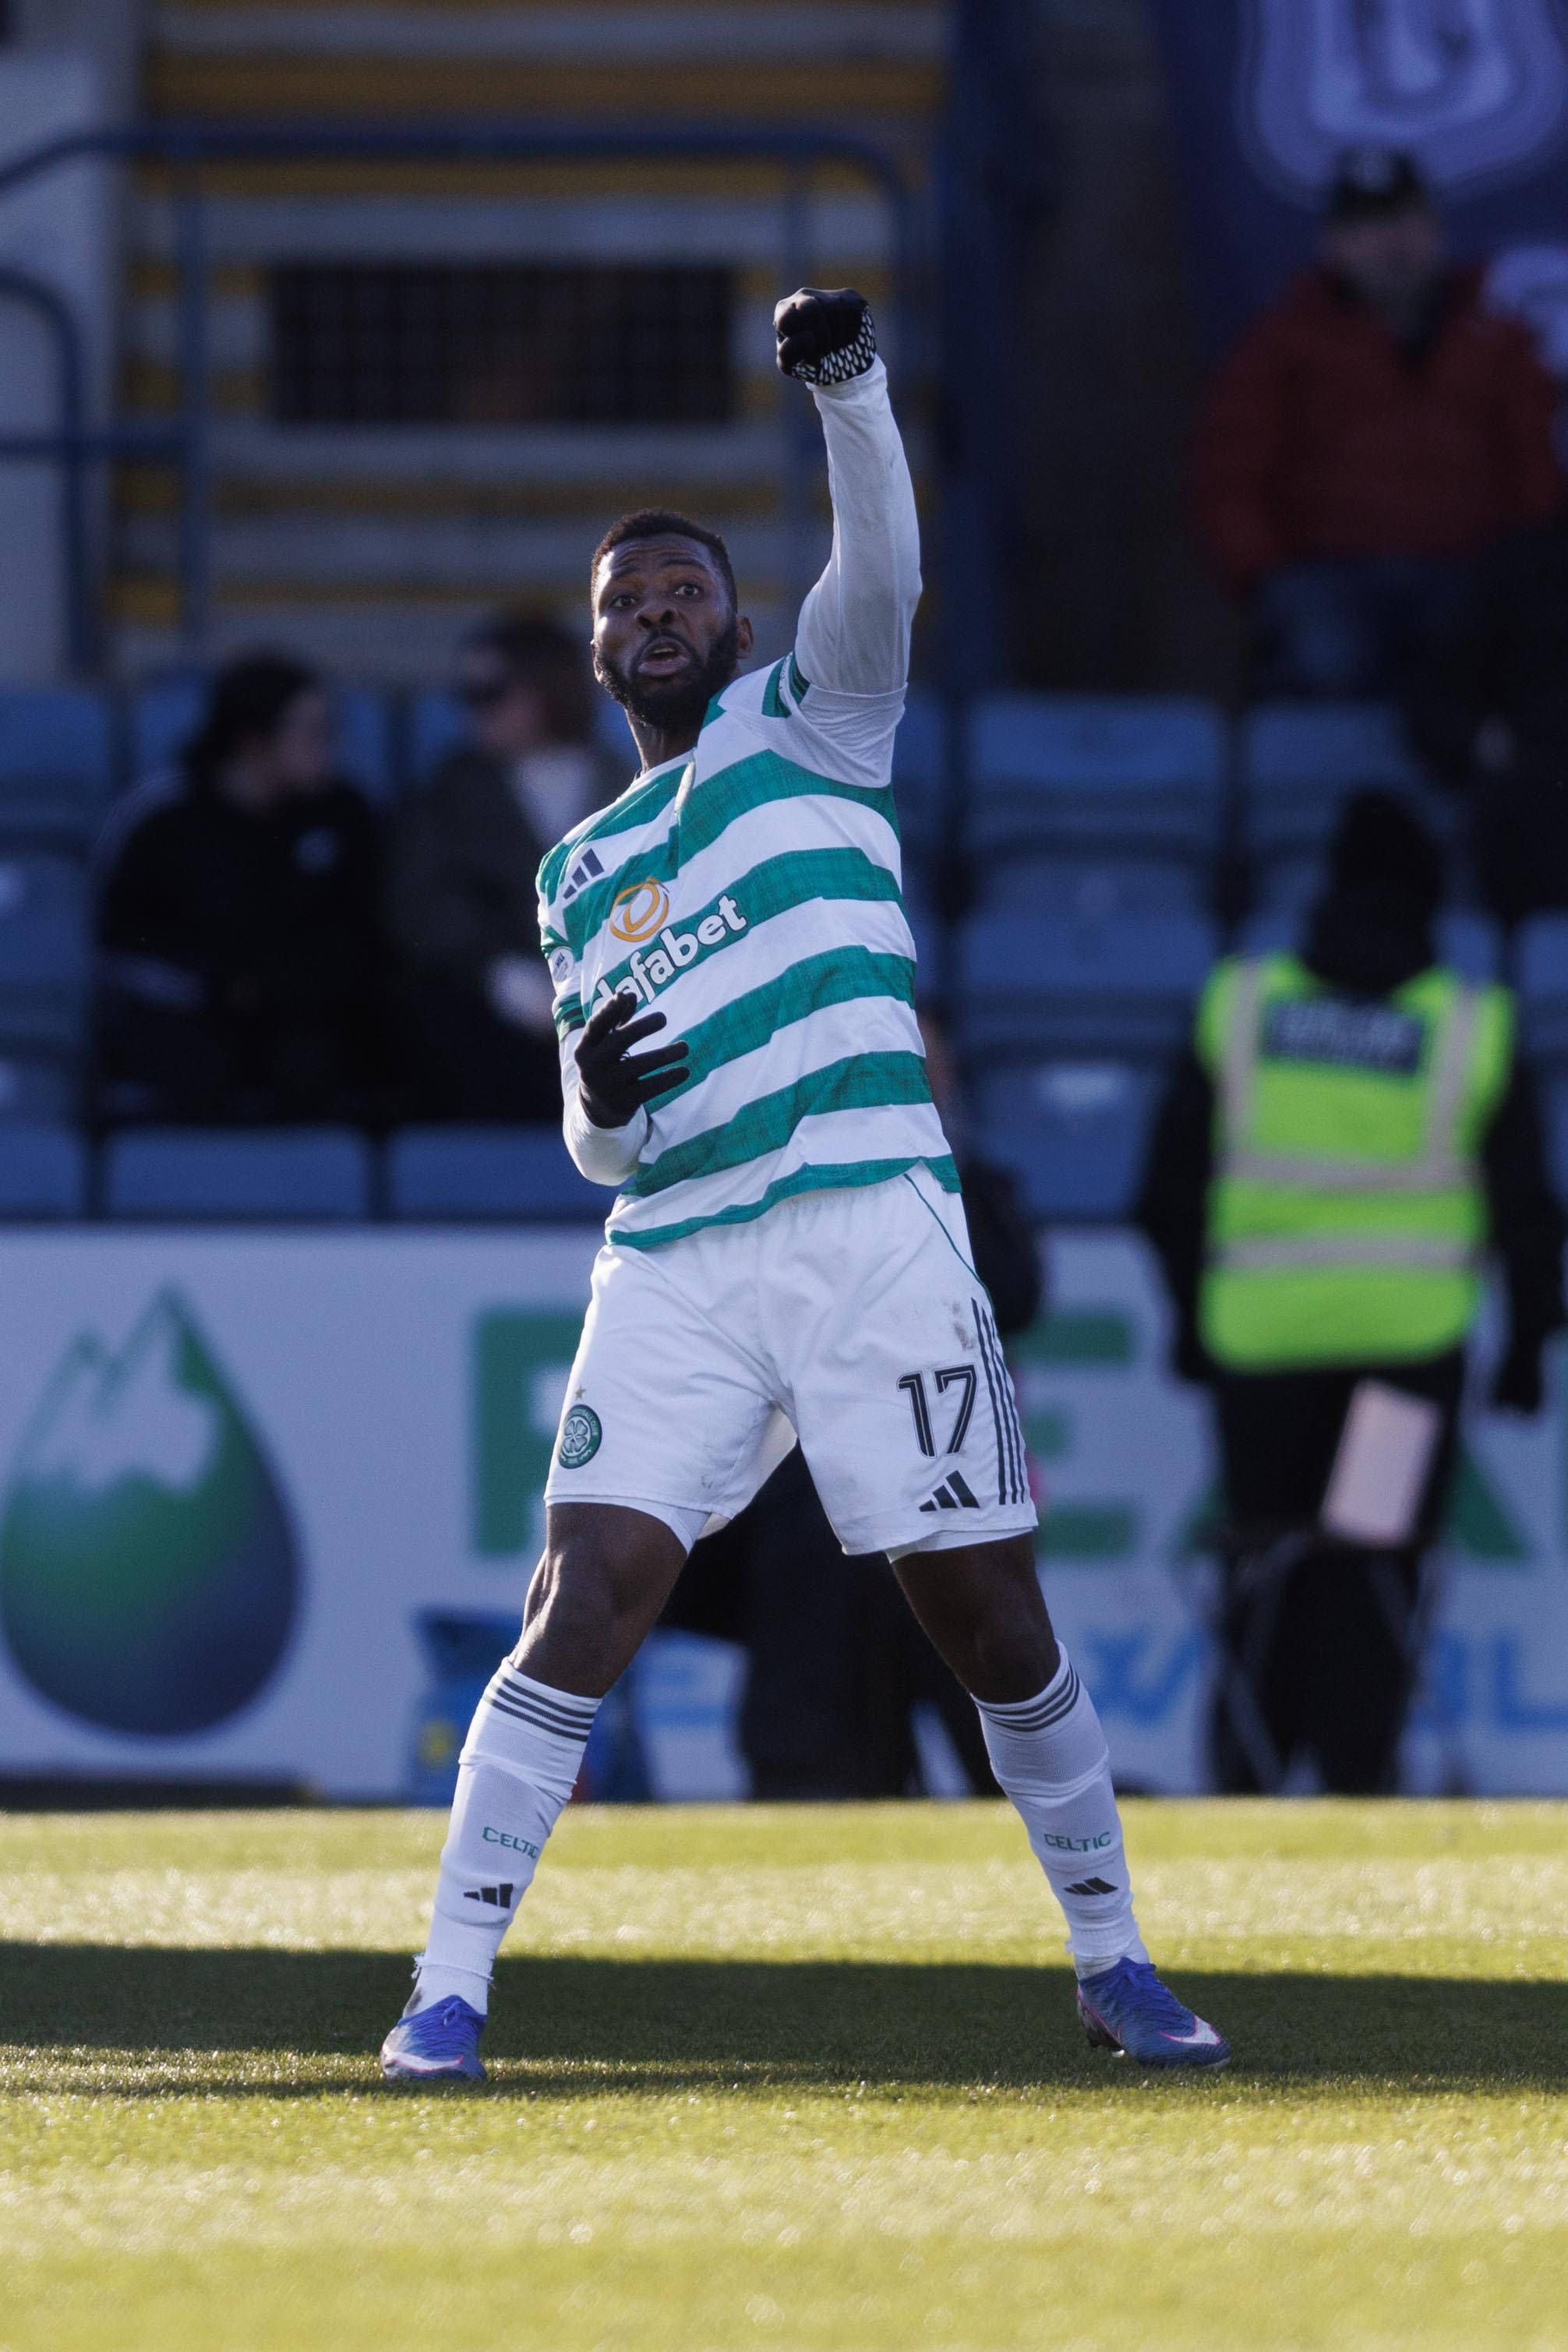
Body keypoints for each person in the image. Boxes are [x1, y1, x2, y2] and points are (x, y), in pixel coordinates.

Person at [381, 286, 1229, 2082]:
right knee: (580, 1601)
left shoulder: (819, 720)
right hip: (676, 1254)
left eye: (683, 586)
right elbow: (595, 1143)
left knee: (992, 1620)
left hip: (869, 1234)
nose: (657, 609)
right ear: (598, 657)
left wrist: (849, 394)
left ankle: (1110, 1957)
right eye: (626, 601)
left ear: (741, 622)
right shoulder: (575, 870)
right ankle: (445, 1989)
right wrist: (595, 1103)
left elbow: (889, 563)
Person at [1139, 791, 1564, 1794]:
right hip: (1403, 1357)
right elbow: (1525, 1210)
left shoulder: (1241, 1003)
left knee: (1269, 1568)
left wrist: (1191, 1320)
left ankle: (1244, 1772)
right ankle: (1357, 1780)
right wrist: (1528, 1343)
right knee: (1369, 1566)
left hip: (1260, 1352)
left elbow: (1163, 1189)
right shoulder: (1468, 1024)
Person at [730, 1007, 1046, 1799]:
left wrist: (937, 1163)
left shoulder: (971, 1185)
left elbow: (1016, 1291)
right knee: (817, 1748)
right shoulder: (784, 1180)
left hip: (947, 1485)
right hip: (813, 1505)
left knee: (993, 1711)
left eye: (927, 1066)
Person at [1191, 147, 1560, 697]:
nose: (1391, 243)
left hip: (1464, 576)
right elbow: (1226, 478)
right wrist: (1263, 576)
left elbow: (1537, 480)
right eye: (1367, 225)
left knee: (1495, 657)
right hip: (1328, 579)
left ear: (1435, 230)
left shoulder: (1498, 343)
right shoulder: (1279, 347)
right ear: (1332, 245)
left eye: (1405, 219)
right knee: (1325, 653)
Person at [95, 653, 393, 1126]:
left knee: (322, 1063)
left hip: (307, 1018)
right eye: (312, 735)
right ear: (253, 743)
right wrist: (221, 986)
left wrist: (280, 987)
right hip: (190, 1017)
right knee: (189, 1069)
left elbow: (368, 934)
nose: (329, 749)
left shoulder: (346, 812)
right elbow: (125, 942)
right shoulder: (162, 818)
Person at [387, 616, 625, 1120]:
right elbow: (420, 899)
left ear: (547, 690)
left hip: (609, 1007)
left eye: (491, 692)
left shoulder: (625, 782)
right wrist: (495, 972)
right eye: (468, 693)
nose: (474, 710)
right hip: (487, 1019)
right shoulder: (452, 788)